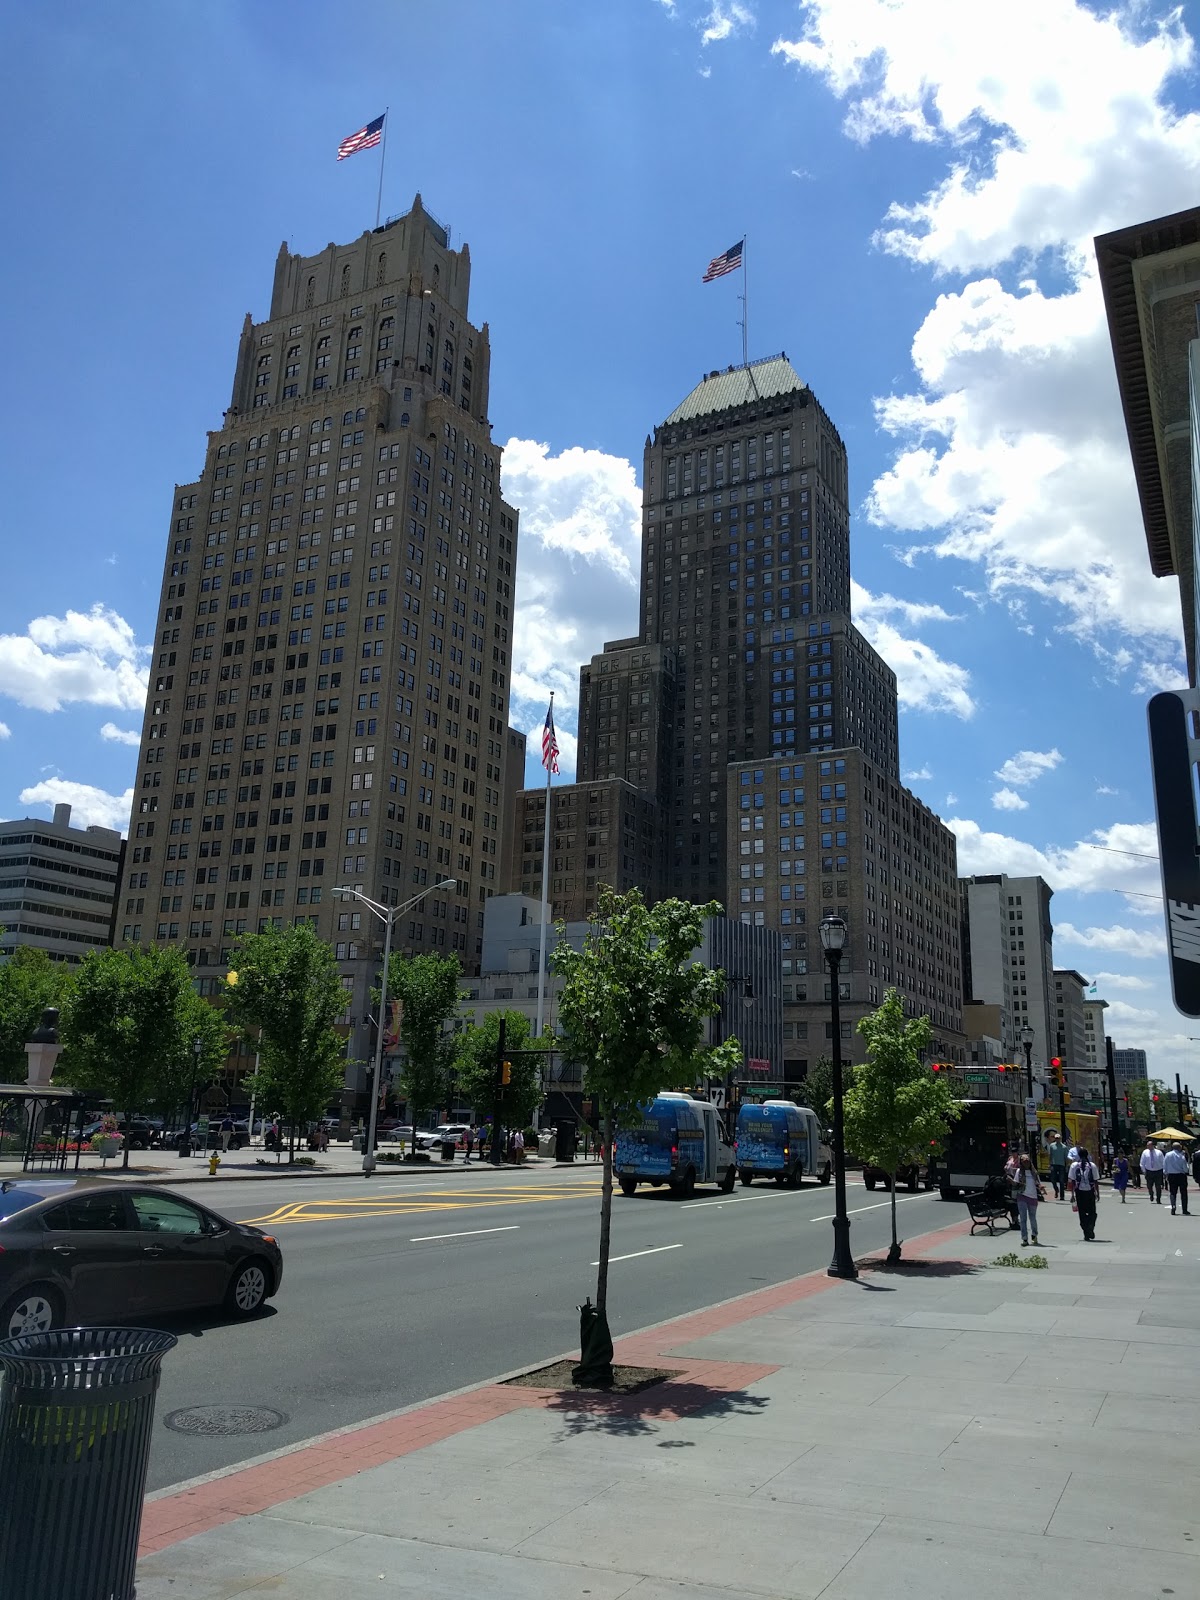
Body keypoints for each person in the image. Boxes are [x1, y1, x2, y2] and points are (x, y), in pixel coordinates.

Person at [1068, 1146, 1100, 1241]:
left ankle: (1086, 1231)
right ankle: (1089, 1228)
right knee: (1092, 1212)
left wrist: (1072, 1195)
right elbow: (1095, 1181)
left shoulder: (1074, 1166)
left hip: (1079, 1192)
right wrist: (1097, 1193)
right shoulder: (1092, 1166)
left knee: (1082, 1213)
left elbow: (1072, 1181)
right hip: (1090, 1192)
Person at [1014, 1154, 1044, 1246]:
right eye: (1024, 1161)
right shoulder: (1019, 1172)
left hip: (1033, 1197)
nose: (1026, 1162)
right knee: (1023, 1218)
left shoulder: (1033, 1172)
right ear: (1021, 1162)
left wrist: (1041, 1187)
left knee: (1032, 1218)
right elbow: (1016, 1183)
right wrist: (1012, 1182)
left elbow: (1038, 1183)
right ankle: (1024, 1239)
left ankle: (1034, 1235)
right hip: (1022, 1196)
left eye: (1027, 1160)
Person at [1163, 1141, 1190, 1215]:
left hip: (1171, 1175)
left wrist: (1165, 1174)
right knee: (1183, 1193)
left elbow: (1164, 1165)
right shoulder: (1182, 1156)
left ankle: (1173, 1206)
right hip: (1181, 1175)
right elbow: (1185, 1168)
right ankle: (1184, 1209)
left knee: (1172, 1192)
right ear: (1179, 1148)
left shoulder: (1168, 1155)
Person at [1047, 1134, 1069, 1201]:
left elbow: (1066, 1158)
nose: (1057, 1139)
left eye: (1058, 1138)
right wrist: (1049, 1164)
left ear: (1060, 1138)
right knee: (1053, 1179)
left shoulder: (1064, 1147)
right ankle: (1056, 1190)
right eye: (1056, 1138)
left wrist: (1066, 1165)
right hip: (1054, 1164)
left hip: (1061, 1165)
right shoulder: (1052, 1146)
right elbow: (1050, 1155)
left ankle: (1062, 1196)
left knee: (1061, 1181)